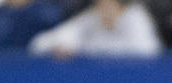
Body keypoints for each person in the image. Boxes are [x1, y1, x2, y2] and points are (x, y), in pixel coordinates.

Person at [27, 0, 162, 58]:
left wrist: (85, 51)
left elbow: (148, 51)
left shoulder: (136, 17)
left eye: (109, 4)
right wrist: (59, 47)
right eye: (100, 3)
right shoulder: (92, 17)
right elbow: (38, 44)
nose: (104, 8)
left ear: (121, 6)